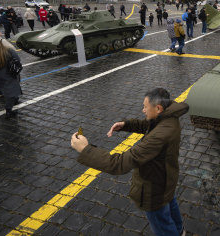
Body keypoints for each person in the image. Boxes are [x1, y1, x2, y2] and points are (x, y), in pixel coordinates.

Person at [71, 88, 189, 236]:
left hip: (154, 190)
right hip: (166, 180)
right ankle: (180, 232)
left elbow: (119, 164)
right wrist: (127, 125)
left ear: (158, 108)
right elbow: (150, 125)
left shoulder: (159, 137)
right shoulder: (169, 117)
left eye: (145, 106)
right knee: (171, 208)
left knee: (162, 225)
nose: (143, 110)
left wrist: (85, 149)